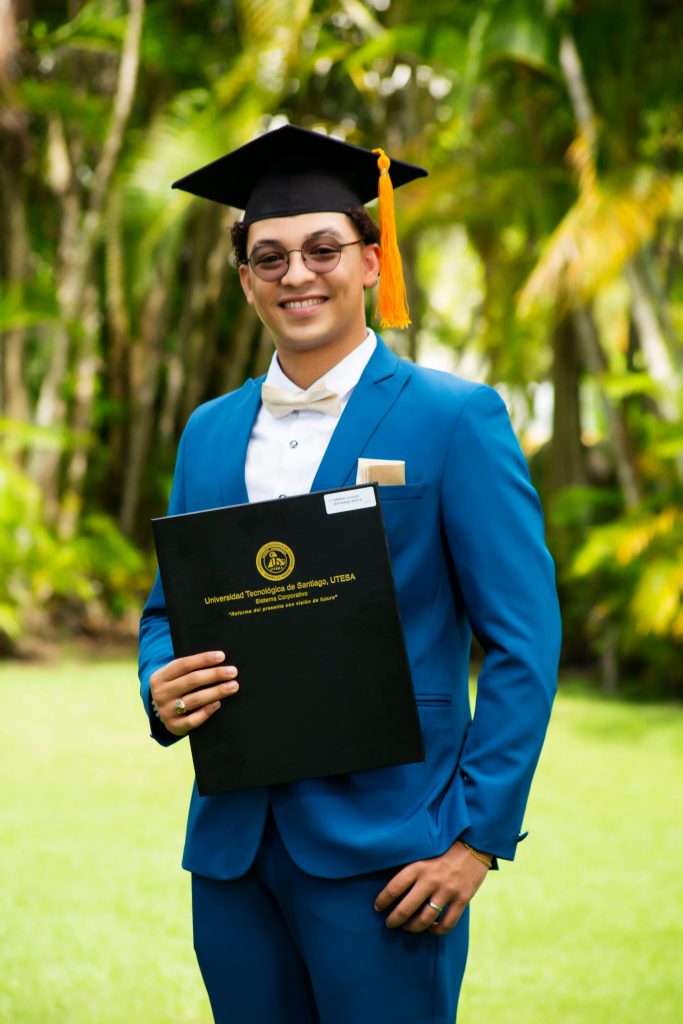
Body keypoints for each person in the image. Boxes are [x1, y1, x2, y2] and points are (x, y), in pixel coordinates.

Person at [138, 124, 561, 1024]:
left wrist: (476, 844)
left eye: (323, 249)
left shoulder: (454, 419)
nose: (297, 274)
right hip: (233, 856)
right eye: (270, 256)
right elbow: (166, 612)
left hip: (394, 856)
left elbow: (523, 643)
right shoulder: (207, 430)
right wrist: (159, 684)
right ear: (244, 277)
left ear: (371, 261)